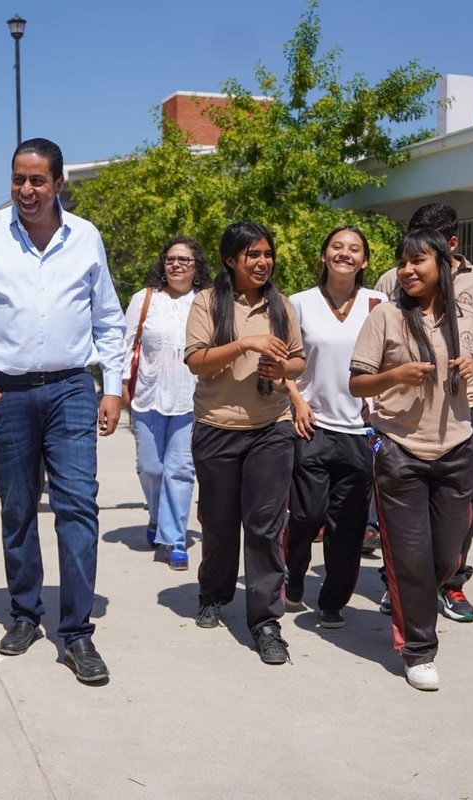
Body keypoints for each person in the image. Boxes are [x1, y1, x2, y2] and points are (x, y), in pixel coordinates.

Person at [0, 138, 126, 684]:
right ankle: (24, 613)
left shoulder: (85, 237)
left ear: (58, 183)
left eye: (38, 180)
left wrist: (110, 387)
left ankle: (76, 633)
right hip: (5, 392)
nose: (26, 190)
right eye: (18, 179)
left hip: (71, 388)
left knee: (78, 508)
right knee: (17, 507)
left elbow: (108, 317)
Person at [350, 228, 473, 691]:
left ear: (441, 264)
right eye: (402, 262)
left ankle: (414, 600)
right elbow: (357, 384)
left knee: (444, 556)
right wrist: (395, 374)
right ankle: (418, 649)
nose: (407, 270)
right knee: (411, 559)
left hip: (457, 448)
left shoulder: (468, 318)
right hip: (401, 450)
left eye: (418, 261)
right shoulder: (387, 318)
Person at [374, 203, 473, 623]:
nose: (411, 261)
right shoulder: (392, 280)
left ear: (450, 244)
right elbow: (374, 339)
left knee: (463, 502)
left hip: (464, 407)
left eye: (427, 245)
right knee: (404, 507)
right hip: (407, 416)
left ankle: (450, 582)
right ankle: (398, 583)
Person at [184, 221, 306, 665]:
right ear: (231, 259)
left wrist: (284, 372)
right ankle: (214, 593)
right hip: (217, 427)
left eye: (267, 254)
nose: (262, 262)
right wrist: (244, 344)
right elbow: (197, 361)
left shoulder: (281, 304)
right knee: (218, 523)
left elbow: (298, 360)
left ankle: (265, 622)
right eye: (252, 254)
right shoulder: (207, 302)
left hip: (271, 429)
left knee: (265, 527)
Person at [285, 226, 386, 629]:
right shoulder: (299, 304)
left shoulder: (379, 305)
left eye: (354, 249)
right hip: (311, 425)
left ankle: (332, 602)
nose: (345, 253)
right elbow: (284, 361)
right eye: (337, 247)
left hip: (360, 431)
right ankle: (293, 577)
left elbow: (392, 360)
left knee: (348, 525)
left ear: (364, 261)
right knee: (307, 516)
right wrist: (295, 401)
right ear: (324, 254)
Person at [121, 235, 210, 570]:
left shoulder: (207, 302)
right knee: (151, 467)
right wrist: (120, 388)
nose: (176, 265)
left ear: (196, 267)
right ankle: (157, 516)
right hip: (148, 397)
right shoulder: (145, 300)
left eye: (184, 260)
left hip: (191, 399)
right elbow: (126, 345)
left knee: (181, 470)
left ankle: (174, 539)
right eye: (171, 259)